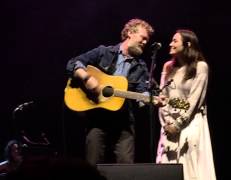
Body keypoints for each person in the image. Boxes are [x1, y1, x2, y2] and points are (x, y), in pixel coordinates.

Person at [65, 18, 154, 165]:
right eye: (143, 38)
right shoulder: (104, 52)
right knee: (92, 164)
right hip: (97, 117)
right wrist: (87, 77)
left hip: (123, 119)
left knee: (126, 166)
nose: (145, 42)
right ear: (130, 33)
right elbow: (73, 63)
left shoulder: (141, 67)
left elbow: (142, 92)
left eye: (147, 40)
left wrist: (149, 99)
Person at [155, 29, 216, 180]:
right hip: (169, 124)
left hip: (191, 122)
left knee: (189, 165)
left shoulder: (200, 67)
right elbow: (162, 98)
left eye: (175, 41)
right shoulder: (168, 67)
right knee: (166, 165)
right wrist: (167, 123)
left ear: (188, 44)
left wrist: (178, 124)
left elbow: (194, 101)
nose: (170, 44)